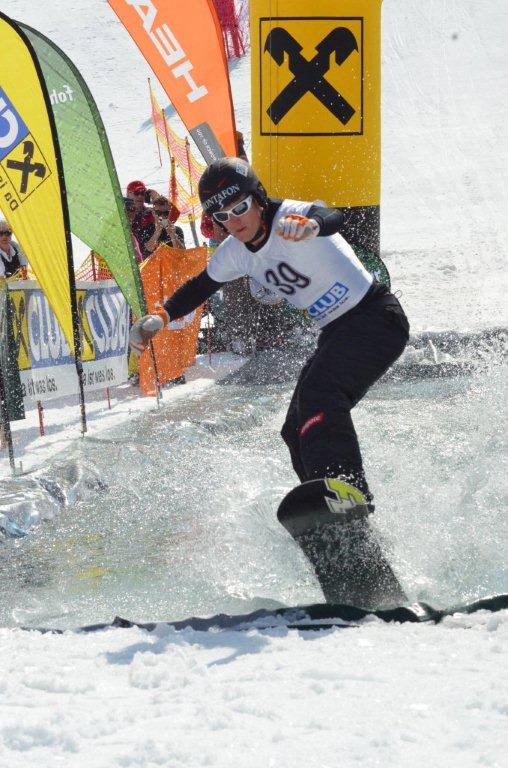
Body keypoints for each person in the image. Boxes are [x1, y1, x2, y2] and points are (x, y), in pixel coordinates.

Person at [129, 158, 409, 511]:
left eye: (241, 208)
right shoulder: (235, 252)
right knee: (294, 428)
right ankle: (324, 510)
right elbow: (200, 286)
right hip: (337, 332)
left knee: (321, 394)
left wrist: (312, 225)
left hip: (376, 317)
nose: (236, 221)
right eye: (223, 217)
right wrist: (162, 316)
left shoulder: (289, 217)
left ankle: (347, 495)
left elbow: (331, 216)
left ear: (258, 198)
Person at [126, 180, 157, 259]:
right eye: (136, 193)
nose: (140, 196)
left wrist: (156, 198)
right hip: (130, 255)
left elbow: (172, 216)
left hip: (150, 256)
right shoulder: (122, 214)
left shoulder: (150, 213)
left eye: (143, 193)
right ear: (128, 195)